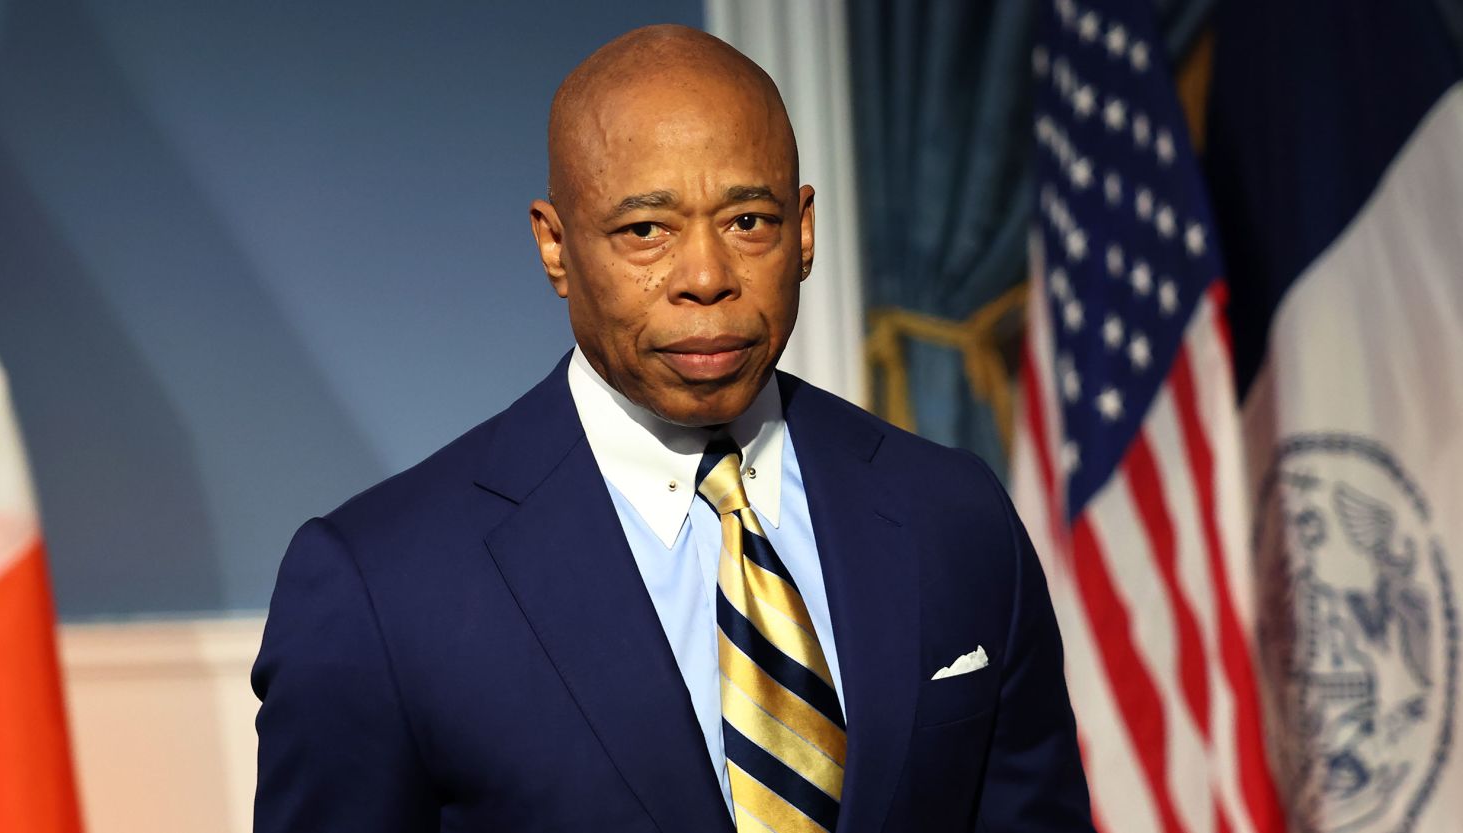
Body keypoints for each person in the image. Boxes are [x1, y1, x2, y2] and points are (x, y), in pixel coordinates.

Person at [252, 24, 1094, 833]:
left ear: (803, 232)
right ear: (555, 246)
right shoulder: (382, 587)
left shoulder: (953, 514)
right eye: (645, 230)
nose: (705, 277)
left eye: (748, 222)